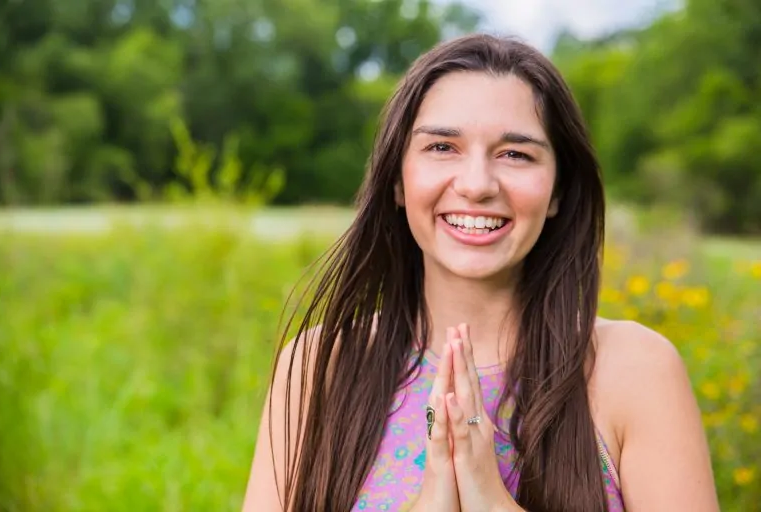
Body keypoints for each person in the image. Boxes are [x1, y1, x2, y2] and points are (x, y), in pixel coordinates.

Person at [242, 34, 719, 512]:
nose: (476, 185)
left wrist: (492, 501)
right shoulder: (317, 366)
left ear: (556, 191)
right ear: (397, 180)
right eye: (442, 147)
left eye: (515, 154)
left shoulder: (635, 371)